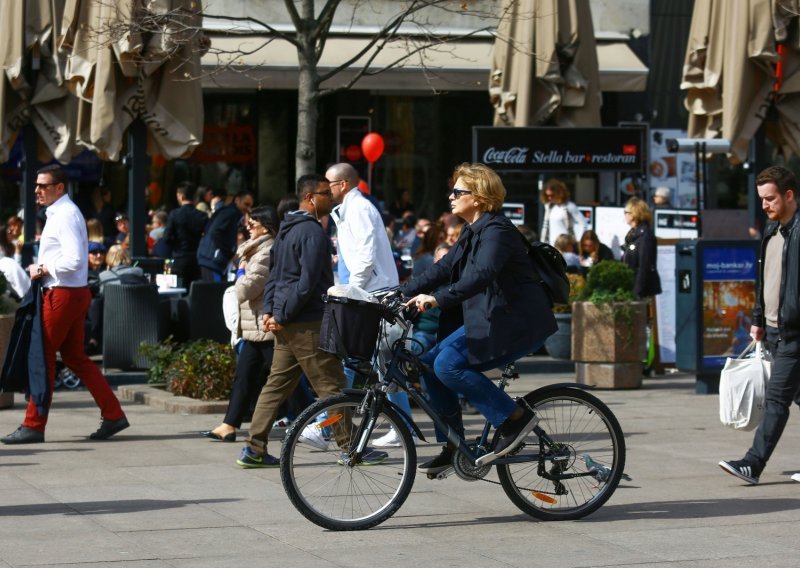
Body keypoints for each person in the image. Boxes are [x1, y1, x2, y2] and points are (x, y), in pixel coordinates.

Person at [403, 162, 557, 474]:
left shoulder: (497, 231)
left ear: (479, 197)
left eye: (458, 191)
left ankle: (515, 419)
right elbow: (444, 268)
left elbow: (482, 274)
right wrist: (399, 290)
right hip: (491, 319)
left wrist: (437, 298)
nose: (450, 197)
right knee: (430, 364)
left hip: (517, 323)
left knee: (447, 365)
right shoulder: (472, 230)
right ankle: (454, 443)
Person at [236, 175, 385, 467]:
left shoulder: (286, 231)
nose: (331, 198)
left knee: (275, 386)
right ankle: (352, 446)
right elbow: (307, 283)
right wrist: (280, 313)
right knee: (332, 386)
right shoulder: (313, 233)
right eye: (325, 193)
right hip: (307, 324)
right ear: (309, 198)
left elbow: (275, 277)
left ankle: (254, 448)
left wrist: (271, 312)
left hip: (289, 322)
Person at [1, 165, 129, 444]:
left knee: (41, 356)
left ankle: (33, 424)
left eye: (43, 186)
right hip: (70, 293)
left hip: (62, 293)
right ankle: (113, 413)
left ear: (59, 188)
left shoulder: (65, 215)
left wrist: (41, 267)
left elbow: (74, 260)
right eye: (37, 185)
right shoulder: (63, 213)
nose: (37, 190)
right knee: (74, 358)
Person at [719, 165, 800, 485]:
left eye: (771, 199)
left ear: (789, 195)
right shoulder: (771, 231)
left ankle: (752, 464)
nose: (765, 205)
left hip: (795, 333)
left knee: (777, 398)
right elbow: (764, 280)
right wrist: (757, 320)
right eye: (762, 199)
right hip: (775, 331)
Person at [326, 162, 410, 448]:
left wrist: (350, 290)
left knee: (375, 361)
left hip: (372, 293)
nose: (327, 189)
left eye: (329, 183)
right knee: (366, 361)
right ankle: (327, 426)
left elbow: (365, 254)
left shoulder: (360, 210)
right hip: (369, 291)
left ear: (343, 184)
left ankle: (328, 426)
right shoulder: (350, 210)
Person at [200, 205, 292, 442]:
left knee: (286, 378)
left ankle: (316, 422)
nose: (247, 228)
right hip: (254, 326)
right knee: (245, 376)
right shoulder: (254, 250)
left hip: (264, 324)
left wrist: (240, 274)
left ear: (266, 226)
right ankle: (229, 425)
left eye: (252, 224)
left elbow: (247, 288)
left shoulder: (266, 250)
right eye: (247, 224)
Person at [197, 190, 254, 282]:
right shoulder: (230, 213)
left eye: (250, 206)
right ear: (237, 200)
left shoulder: (230, 213)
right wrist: (229, 252)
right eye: (246, 204)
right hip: (212, 259)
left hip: (211, 258)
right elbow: (214, 232)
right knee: (214, 293)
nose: (248, 209)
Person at [162, 181, 208, 289]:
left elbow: (166, 238)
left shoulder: (175, 214)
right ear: (195, 197)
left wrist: (177, 245)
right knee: (195, 293)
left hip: (179, 259)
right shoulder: (202, 216)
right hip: (197, 260)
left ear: (181, 196)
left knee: (177, 293)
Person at [621, 197, 661, 299]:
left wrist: (637, 292)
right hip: (632, 284)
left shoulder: (645, 235)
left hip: (641, 289)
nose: (624, 215)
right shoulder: (633, 234)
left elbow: (645, 265)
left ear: (633, 214)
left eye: (626, 212)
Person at [539, 178, 586, 246]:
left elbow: (583, 224)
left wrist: (578, 240)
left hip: (566, 245)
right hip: (552, 245)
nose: (549, 198)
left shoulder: (569, 206)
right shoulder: (549, 207)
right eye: (547, 196)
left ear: (559, 193)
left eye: (552, 195)